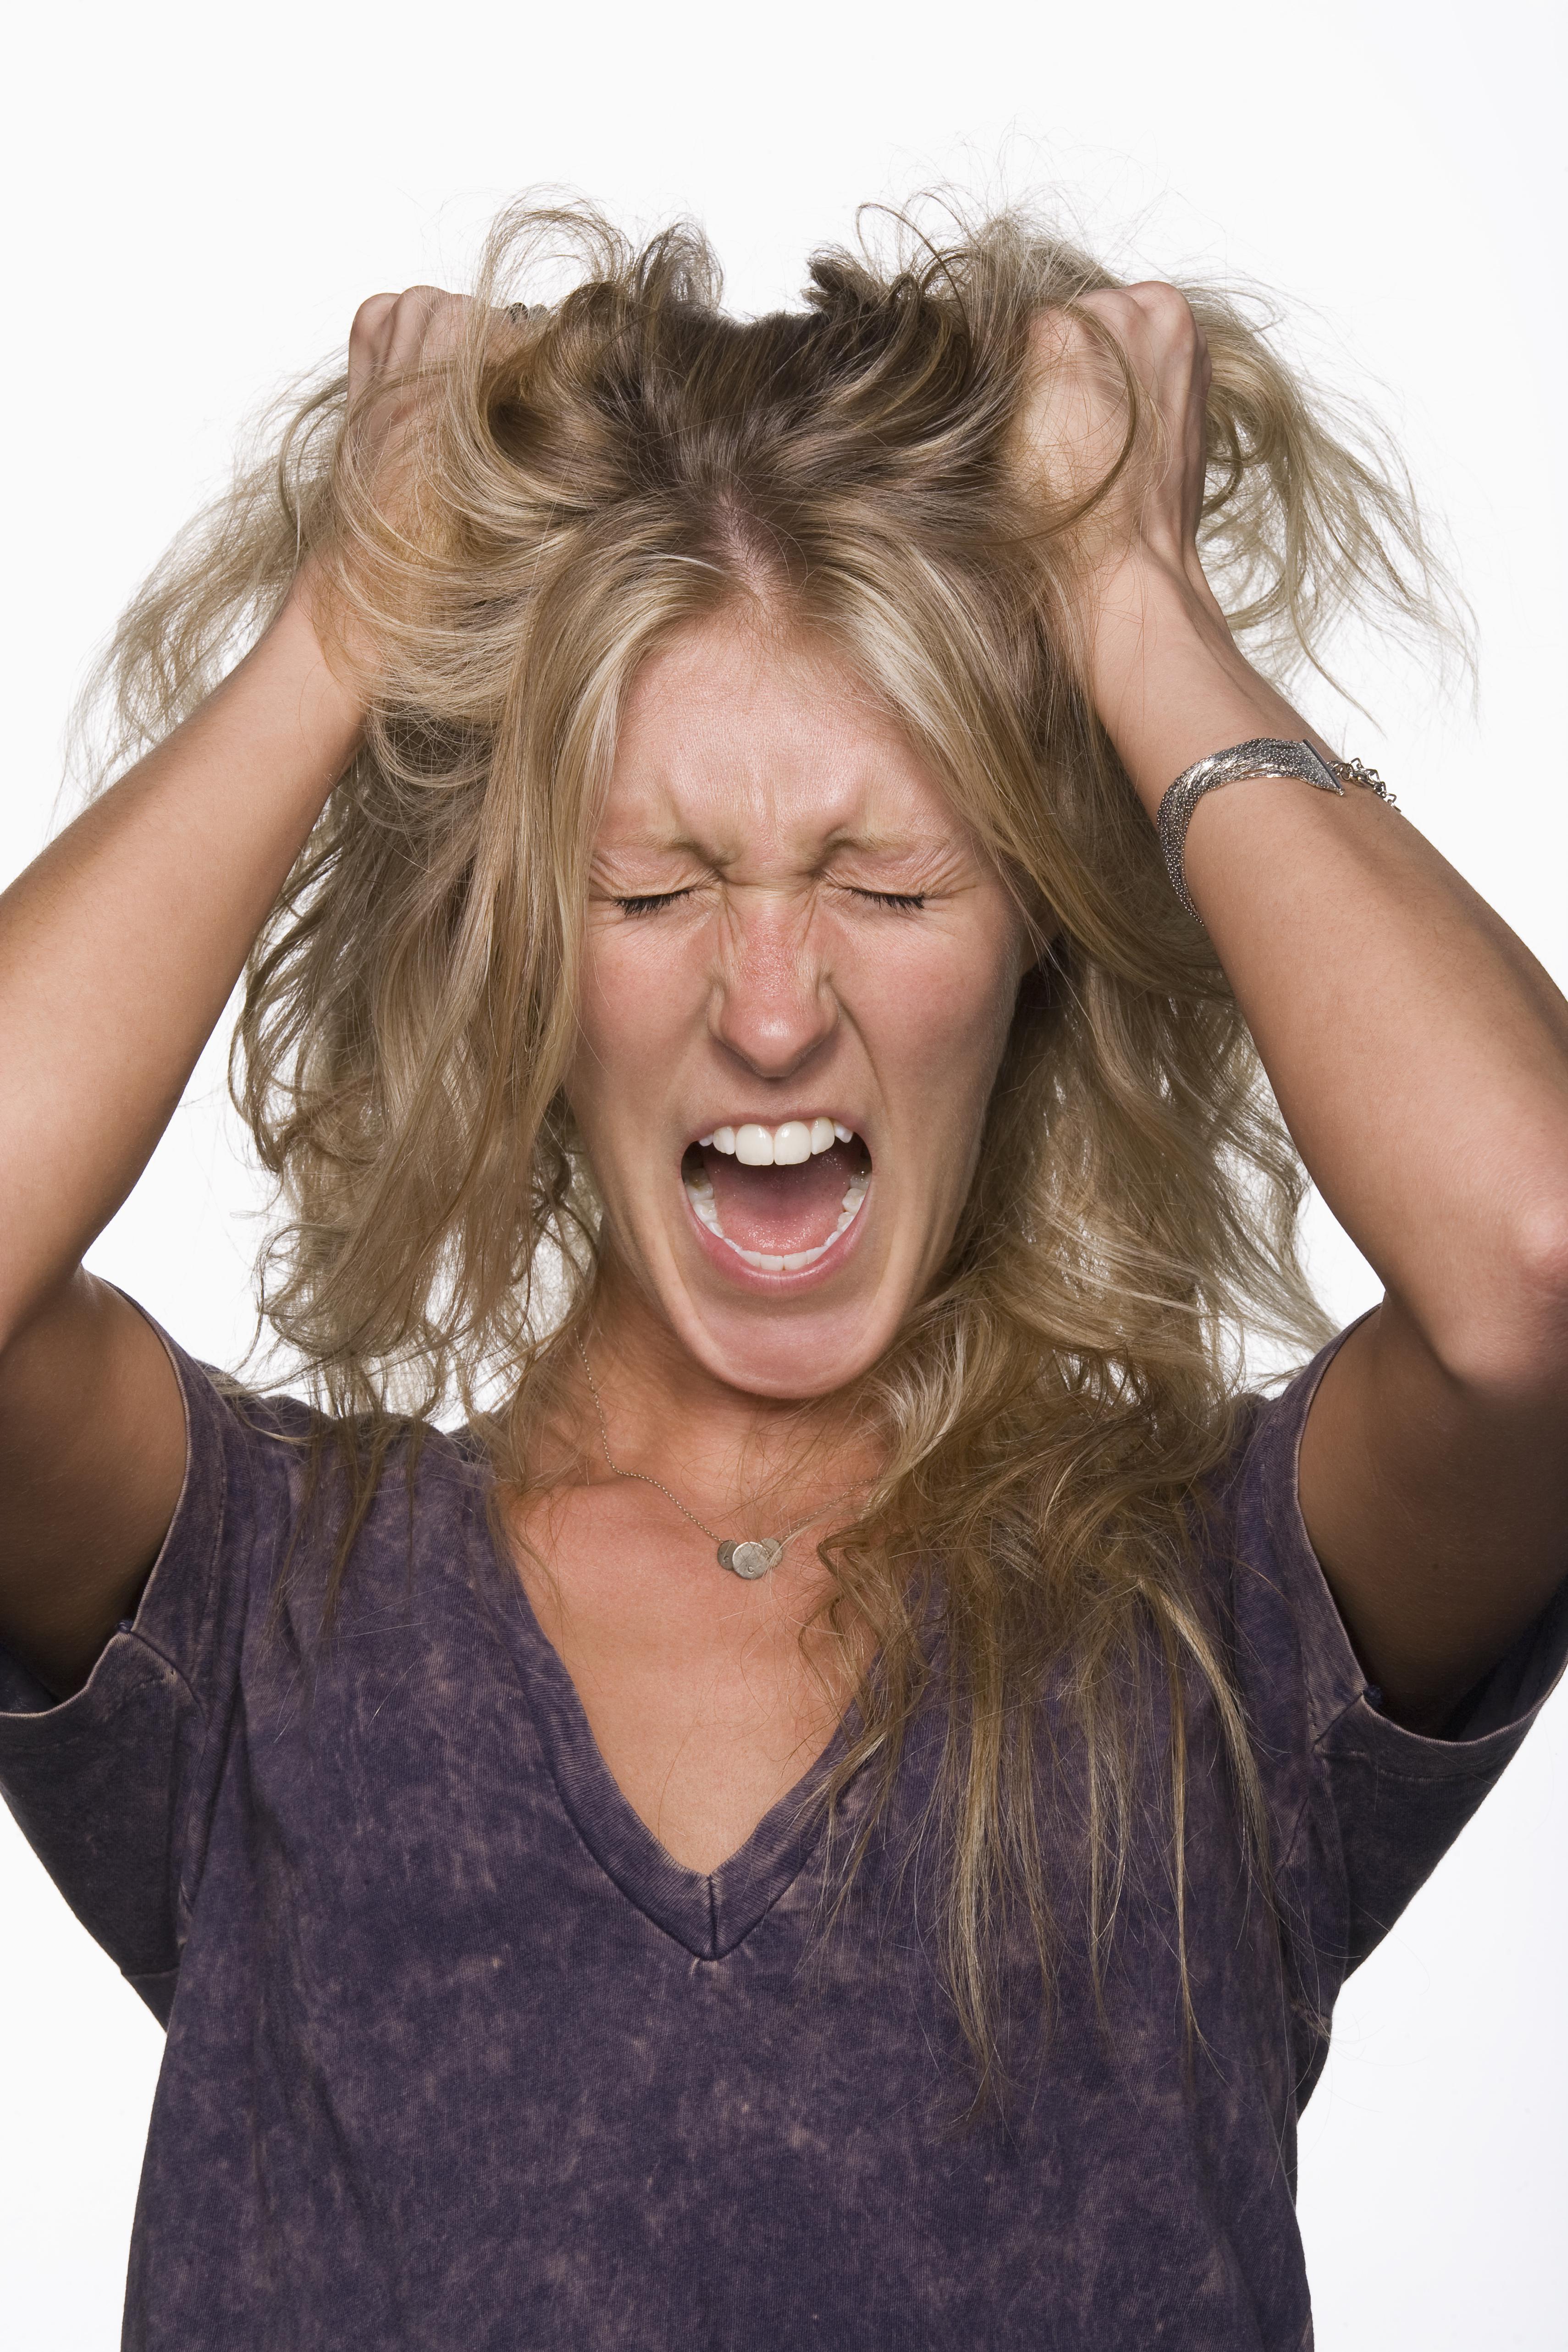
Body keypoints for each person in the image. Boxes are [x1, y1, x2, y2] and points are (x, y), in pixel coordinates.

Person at [1, 199, 1565, 2351]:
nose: (768, 1010)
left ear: (1032, 937)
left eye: (888, 876)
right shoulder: (274, 1613)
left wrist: (1128, 600)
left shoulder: (1213, 1619)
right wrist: (345, 627)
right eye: (650, 888)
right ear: (528, 965)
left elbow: (1539, 1270)